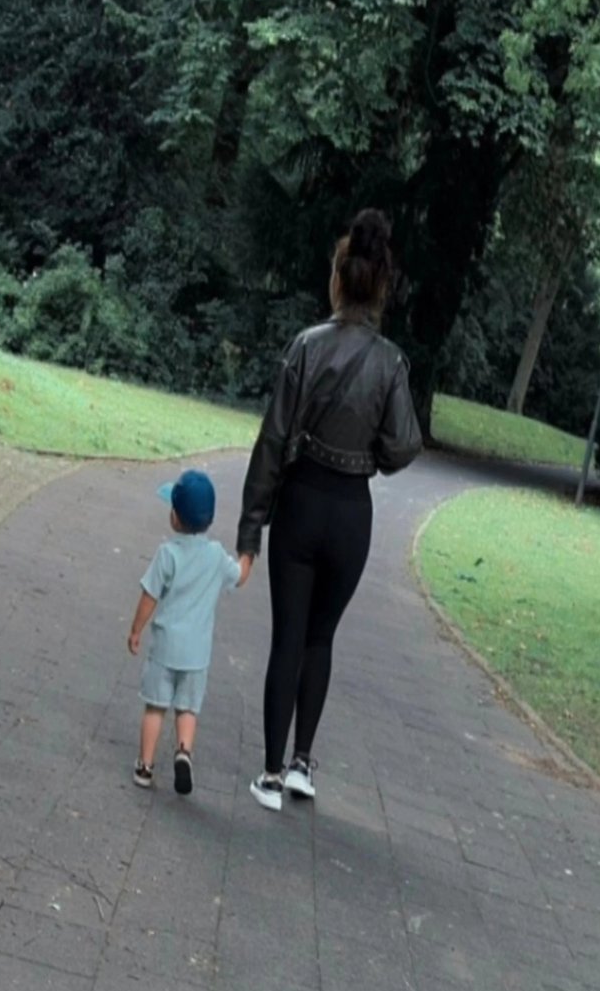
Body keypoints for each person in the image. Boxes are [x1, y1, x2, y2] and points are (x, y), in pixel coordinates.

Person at [236, 208, 423, 812]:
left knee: (288, 638)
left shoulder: (305, 347)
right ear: (383, 285)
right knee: (321, 638)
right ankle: (301, 765)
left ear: (339, 277)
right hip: (350, 515)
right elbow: (403, 445)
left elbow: (272, 440)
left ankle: (269, 774)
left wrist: (250, 530)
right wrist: (372, 453)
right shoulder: (391, 363)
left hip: (301, 503)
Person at [129, 469, 252, 794]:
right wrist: (248, 552)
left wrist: (136, 629)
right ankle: (183, 751)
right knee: (187, 709)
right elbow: (239, 576)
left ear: (175, 517)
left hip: (165, 648)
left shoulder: (167, 554)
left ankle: (145, 766)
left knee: (155, 707)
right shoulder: (216, 556)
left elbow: (149, 596)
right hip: (197, 655)